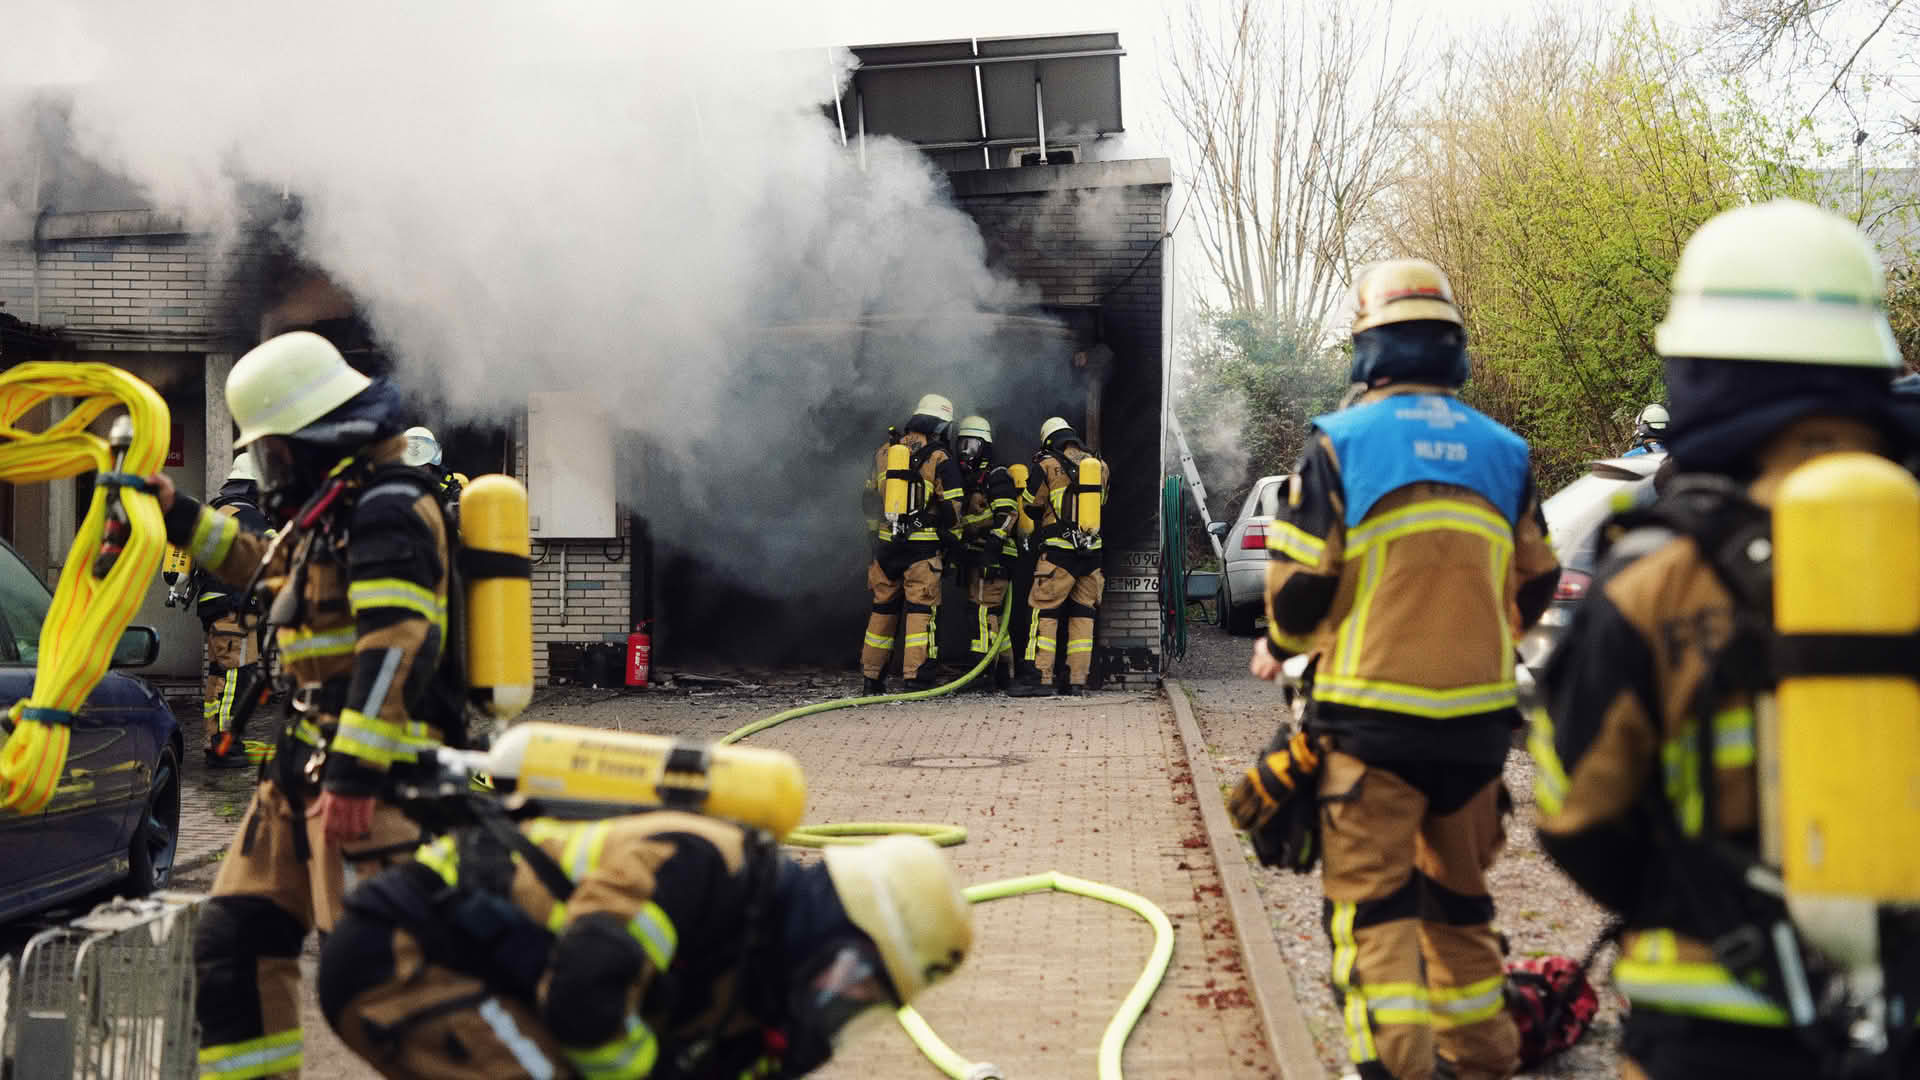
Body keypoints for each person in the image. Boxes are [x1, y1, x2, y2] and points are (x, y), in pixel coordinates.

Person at [1533, 200, 1920, 1079]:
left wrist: (1691, 894)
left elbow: (1574, 807)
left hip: (1711, 1037)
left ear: (1703, 367)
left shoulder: (1658, 575)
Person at [1241, 259, 1561, 1080]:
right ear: (1453, 351)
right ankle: (1487, 1058)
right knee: (1459, 904)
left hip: (1367, 734)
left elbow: (1303, 589)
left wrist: (1281, 642)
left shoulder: (1341, 445)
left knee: (1375, 914)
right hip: (1476, 738)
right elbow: (1540, 581)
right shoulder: (1505, 452)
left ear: (1367, 351)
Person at [153, 330, 455, 1080]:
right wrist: (177, 511)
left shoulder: (389, 508)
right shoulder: (336, 506)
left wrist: (355, 774)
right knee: (234, 949)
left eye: (278, 452)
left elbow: (398, 644)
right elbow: (261, 566)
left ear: (320, 434)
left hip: (369, 780)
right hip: (300, 769)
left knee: (381, 989)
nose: (274, 470)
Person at [317, 813, 970, 1080]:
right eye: (859, 978)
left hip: (501, 985)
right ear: (835, 925)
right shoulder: (702, 867)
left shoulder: (769, 982)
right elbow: (584, 996)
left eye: (871, 1001)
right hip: (406, 950)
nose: (847, 1002)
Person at [860, 394, 967, 694]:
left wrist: (874, 536)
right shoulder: (939, 457)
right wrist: (950, 537)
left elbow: (868, 499)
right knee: (921, 612)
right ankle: (917, 680)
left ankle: (872, 678)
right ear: (939, 425)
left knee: (883, 610)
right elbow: (954, 506)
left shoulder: (884, 452)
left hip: (885, 546)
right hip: (921, 550)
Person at [1007, 417, 1109, 698]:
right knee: (1082, 616)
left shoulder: (1045, 465)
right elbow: (1101, 503)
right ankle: (1076, 681)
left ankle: (1039, 677)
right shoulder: (1099, 466)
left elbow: (1031, 504)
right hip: (1091, 555)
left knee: (1043, 612)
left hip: (1058, 554)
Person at [195, 456, 271, 768]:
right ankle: (225, 742)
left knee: (219, 676)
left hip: (214, 608)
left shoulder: (214, 513)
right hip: (235, 609)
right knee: (237, 675)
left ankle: (213, 738)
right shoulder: (250, 518)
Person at [954, 415, 1019, 691]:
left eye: (972, 445)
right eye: (962, 445)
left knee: (980, 614)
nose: (965, 451)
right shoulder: (971, 481)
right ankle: (1005, 673)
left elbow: (1008, 515)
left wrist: (991, 553)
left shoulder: (996, 476)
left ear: (985, 447)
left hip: (994, 558)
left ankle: (979, 673)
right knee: (993, 616)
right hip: (979, 557)